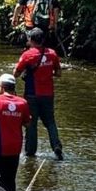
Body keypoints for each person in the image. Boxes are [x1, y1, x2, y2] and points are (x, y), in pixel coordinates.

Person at [13, 27, 63, 160]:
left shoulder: (27, 55)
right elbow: (58, 73)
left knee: (31, 123)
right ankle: (56, 146)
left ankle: (30, 152)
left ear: (31, 40)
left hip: (31, 95)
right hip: (48, 94)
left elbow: (16, 74)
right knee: (50, 122)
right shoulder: (52, 53)